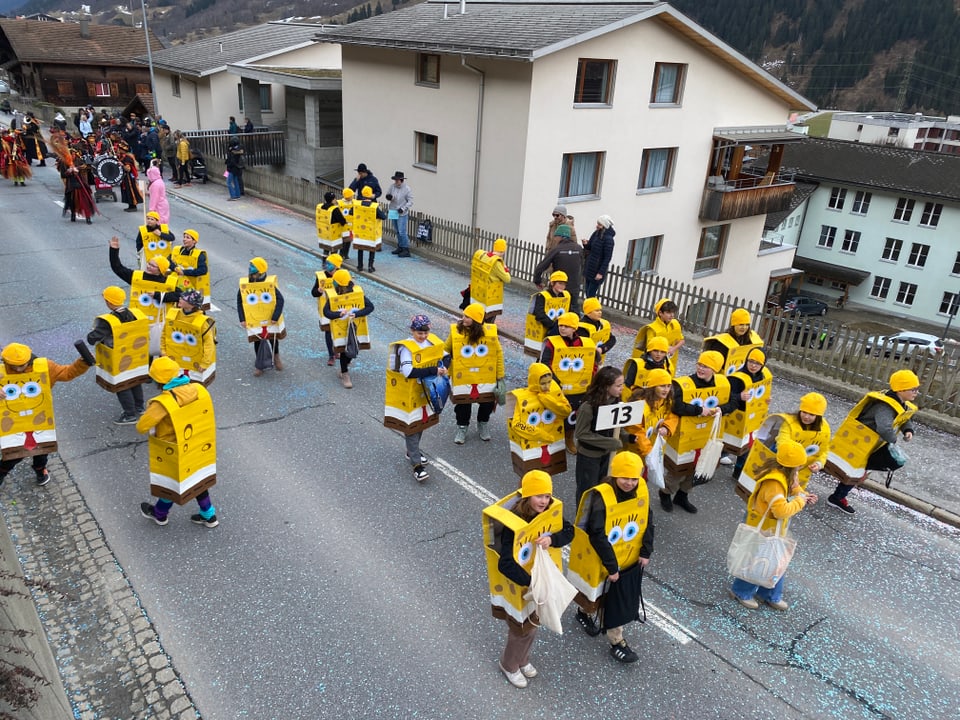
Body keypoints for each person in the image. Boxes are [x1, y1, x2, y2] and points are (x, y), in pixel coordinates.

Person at [483, 470, 574, 688]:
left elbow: (569, 531)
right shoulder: (513, 524)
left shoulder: (549, 512)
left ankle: (522, 659)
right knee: (519, 630)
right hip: (521, 585)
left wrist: (552, 538)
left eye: (547, 496)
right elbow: (504, 563)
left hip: (538, 580)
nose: (544, 501)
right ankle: (509, 664)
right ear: (527, 497)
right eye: (538, 496)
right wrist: (530, 582)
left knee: (533, 625)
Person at [568, 451, 652, 663]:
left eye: (634, 478)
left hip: (628, 556)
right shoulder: (601, 496)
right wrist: (612, 566)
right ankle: (585, 613)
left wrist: (646, 550)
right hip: (601, 557)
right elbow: (596, 534)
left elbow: (647, 520)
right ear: (615, 475)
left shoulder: (641, 489)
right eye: (625, 478)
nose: (630, 483)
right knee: (595, 594)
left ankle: (616, 639)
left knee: (615, 599)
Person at [729, 439, 817, 610]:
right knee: (757, 560)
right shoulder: (774, 483)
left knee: (775, 560)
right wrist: (800, 501)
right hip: (763, 528)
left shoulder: (784, 474)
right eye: (799, 466)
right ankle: (742, 591)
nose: (800, 469)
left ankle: (768, 593)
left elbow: (794, 488)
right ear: (791, 466)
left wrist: (803, 495)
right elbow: (781, 511)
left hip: (769, 526)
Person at [137, 357, 219, 528]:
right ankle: (209, 514)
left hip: (172, 449)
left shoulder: (163, 404)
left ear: (158, 380)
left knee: (171, 483)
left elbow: (142, 426)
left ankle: (159, 514)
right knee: (197, 479)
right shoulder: (198, 389)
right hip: (198, 443)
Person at [825, 370, 919, 515]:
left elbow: (904, 418)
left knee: (856, 471)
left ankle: (838, 496)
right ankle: (833, 496)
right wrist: (893, 440)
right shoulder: (885, 406)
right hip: (861, 443)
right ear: (900, 389)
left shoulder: (901, 403)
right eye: (913, 389)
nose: (916, 392)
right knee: (850, 469)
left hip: (871, 444)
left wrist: (908, 429)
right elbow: (884, 427)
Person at [0, 343, 91, 488]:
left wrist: (83, 362)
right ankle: (2, 471)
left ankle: (40, 469)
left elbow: (67, 373)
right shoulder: (1, 372)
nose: (18, 369)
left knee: (42, 449)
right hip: (13, 421)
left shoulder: (45, 367)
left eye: (22, 365)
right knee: (14, 452)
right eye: (13, 366)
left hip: (39, 419)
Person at [661, 350, 736, 514]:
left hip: (706, 435)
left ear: (715, 370)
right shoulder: (682, 384)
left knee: (698, 467)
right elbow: (675, 405)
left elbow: (733, 402)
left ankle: (683, 495)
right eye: (700, 365)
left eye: (706, 366)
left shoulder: (723, 384)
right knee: (678, 469)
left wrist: (719, 409)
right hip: (685, 435)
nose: (701, 369)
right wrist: (698, 410)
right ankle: (666, 493)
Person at [383, 315, 448, 483]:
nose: (424, 336)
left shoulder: (430, 342)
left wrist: (443, 367)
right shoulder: (407, 348)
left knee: (421, 423)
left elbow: (445, 356)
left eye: (426, 333)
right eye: (420, 333)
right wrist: (434, 370)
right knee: (411, 427)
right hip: (409, 394)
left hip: (424, 392)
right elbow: (408, 372)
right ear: (412, 331)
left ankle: (411, 451)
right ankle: (416, 465)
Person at [86, 286, 149, 424]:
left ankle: (130, 414)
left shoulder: (108, 321)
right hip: (134, 355)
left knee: (122, 385)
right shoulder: (134, 314)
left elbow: (92, 338)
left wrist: (93, 332)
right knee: (135, 380)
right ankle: (139, 406)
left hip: (118, 358)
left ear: (108, 302)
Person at [540, 311, 599, 455]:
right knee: (553, 414)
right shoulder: (551, 342)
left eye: (567, 326)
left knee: (573, 415)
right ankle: (549, 440)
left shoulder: (585, 343)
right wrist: (554, 382)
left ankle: (569, 438)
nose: (562, 328)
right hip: (556, 387)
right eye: (561, 325)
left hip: (579, 388)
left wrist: (591, 379)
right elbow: (545, 364)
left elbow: (592, 363)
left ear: (574, 328)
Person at [444, 303, 504, 444]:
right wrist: (445, 370)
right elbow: (446, 350)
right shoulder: (456, 333)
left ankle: (483, 424)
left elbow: (498, 354)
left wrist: (500, 375)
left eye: (467, 316)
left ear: (476, 320)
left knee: (487, 403)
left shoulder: (489, 335)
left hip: (486, 376)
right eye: (464, 315)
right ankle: (462, 427)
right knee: (463, 405)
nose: (463, 318)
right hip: (463, 377)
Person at [506, 363, 572, 477]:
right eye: (542, 383)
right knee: (529, 477)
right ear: (535, 381)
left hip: (551, 443)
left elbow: (566, 411)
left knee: (547, 474)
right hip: (533, 443)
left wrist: (548, 400)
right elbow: (517, 424)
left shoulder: (553, 389)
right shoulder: (523, 398)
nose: (547, 386)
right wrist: (542, 435)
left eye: (549, 382)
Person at [573, 367, 625, 502]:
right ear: (606, 386)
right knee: (587, 491)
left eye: (622, 384)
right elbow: (581, 433)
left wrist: (627, 437)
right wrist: (610, 443)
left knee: (603, 487)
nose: (622, 388)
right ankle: (582, 521)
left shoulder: (616, 401)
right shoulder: (588, 407)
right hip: (589, 456)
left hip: (606, 455)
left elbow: (617, 424)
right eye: (618, 385)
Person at [724, 348, 773, 477]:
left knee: (747, 445)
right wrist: (739, 396)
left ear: (762, 365)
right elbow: (726, 396)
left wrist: (766, 400)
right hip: (736, 415)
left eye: (757, 363)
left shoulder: (762, 376)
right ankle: (715, 462)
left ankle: (738, 471)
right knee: (728, 444)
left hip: (753, 417)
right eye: (750, 361)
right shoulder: (737, 378)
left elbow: (762, 393)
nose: (753, 365)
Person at [109, 236, 179, 325]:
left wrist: (157, 295)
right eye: (149, 263)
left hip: (159, 324)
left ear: (161, 270)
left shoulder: (168, 282)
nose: (148, 266)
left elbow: (180, 296)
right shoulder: (137, 277)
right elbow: (117, 268)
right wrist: (114, 251)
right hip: (137, 321)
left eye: (153, 266)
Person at [322, 269, 374, 389]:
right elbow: (326, 312)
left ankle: (344, 366)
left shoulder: (357, 294)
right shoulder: (333, 295)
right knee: (343, 351)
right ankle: (345, 373)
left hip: (354, 327)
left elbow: (370, 307)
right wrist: (338, 314)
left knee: (352, 350)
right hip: (340, 328)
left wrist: (357, 314)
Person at [237, 257, 285, 376]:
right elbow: (240, 301)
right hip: (254, 318)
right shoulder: (246, 284)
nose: (249, 268)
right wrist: (242, 319)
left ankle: (276, 357)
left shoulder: (269, 284)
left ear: (259, 269)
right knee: (257, 340)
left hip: (269, 317)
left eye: (252, 266)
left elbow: (280, 299)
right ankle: (260, 365)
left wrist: (275, 316)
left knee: (272, 338)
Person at [624, 368, 680, 465]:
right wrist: (649, 452)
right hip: (636, 453)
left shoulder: (667, 401)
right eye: (662, 386)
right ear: (652, 387)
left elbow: (673, 416)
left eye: (668, 386)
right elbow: (636, 431)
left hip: (655, 449)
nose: (666, 390)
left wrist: (667, 428)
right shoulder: (639, 405)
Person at [162, 290, 216, 385]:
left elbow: (209, 343)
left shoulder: (202, 322)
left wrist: (205, 363)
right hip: (175, 360)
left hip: (194, 365)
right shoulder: (173, 315)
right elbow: (164, 334)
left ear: (192, 305)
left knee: (193, 387)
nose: (179, 299)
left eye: (183, 298)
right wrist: (163, 351)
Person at [534, 224, 583, 314]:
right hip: (574, 287)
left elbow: (540, 267)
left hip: (559, 286)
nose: (554, 239)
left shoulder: (557, 249)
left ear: (560, 236)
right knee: (574, 311)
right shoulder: (579, 248)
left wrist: (537, 281)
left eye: (555, 236)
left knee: (558, 311)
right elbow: (582, 265)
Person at [703, 307, 764, 376]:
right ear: (733, 324)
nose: (744, 327)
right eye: (741, 324)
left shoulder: (751, 340)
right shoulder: (722, 342)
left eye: (747, 325)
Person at [523, 270, 570, 358]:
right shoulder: (543, 296)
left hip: (559, 327)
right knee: (545, 353)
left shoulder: (565, 296)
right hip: (547, 327)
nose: (562, 286)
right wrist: (553, 325)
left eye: (564, 284)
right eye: (560, 283)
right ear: (552, 283)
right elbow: (539, 313)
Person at [631, 298, 684, 376]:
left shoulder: (675, 324)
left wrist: (674, 348)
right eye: (668, 312)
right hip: (656, 363)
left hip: (671, 362)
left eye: (673, 312)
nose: (672, 315)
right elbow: (650, 348)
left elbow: (682, 340)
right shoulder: (652, 329)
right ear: (660, 313)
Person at [311, 253, 344, 366]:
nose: (326, 265)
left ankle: (337, 350)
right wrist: (318, 291)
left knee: (339, 331)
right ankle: (331, 355)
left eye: (329, 263)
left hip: (339, 308)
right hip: (326, 309)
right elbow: (313, 293)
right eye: (327, 263)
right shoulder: (321, 277)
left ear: (336, 265)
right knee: (328, 331)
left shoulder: (342, 275)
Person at [469, 238, 511, 321]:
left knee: (476, 319)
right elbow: (507, 279)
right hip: (490, 297)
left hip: (478, 294)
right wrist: (505, 269)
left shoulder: (483, 256)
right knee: (487, 323)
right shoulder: (496, 263)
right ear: (503, 250)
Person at [622, 336, 671, 400]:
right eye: (655, 351)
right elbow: (627, 386)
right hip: (634, 401)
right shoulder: (637, 364)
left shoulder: (668, 366)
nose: (658, 354)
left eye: (662, 352)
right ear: (649, 351)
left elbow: (668, 390)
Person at [171, 229, 209, 307]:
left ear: (194, 241)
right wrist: (174, 268)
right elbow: (169, 262)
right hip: (176, 284)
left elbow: (203, 270)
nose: (184, 239)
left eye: (188, 237)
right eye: (184, 237)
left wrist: (184, 272)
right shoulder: (177, 250)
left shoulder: (199, 254)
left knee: (193, 308)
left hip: (191, 287)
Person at [353, 186, 386, 273]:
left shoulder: (357, 205)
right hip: (371, 232)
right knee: (372, 249)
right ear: (370, 195)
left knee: (360, 248)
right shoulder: (374, 207)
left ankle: (360, 266)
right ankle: (370, 266)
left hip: (360, 232)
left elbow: (351, 212)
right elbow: (383, 216)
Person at [582, 215, 615, 299]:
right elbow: (590, 247)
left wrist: (600, 272)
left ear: (604, 226)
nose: (597, 226)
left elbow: (607, 258)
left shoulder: (609, 239)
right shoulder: (596, 234)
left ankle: (591, 310)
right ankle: (589, 310)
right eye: (598, 223)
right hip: (590, 267)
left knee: (591, 294)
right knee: (587, 292)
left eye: (599, 224)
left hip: (597, 270)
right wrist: (585, 244)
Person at [57, 155, 95, 224]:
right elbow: (63, 175)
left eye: (74, 154)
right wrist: (70, 171)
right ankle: (73, 215)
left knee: (85, 201)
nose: (73, 156)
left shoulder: (79, 160)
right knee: (72, 201)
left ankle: (88, 217)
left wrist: (78, 169)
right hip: (71, 185)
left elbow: (86, 167)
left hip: (82, 184)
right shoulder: (64, 162)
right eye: (71, 154)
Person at [578, 297, 616, 363]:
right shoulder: (582, 327)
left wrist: (602, 348)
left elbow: (612, 339)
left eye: (600, 310)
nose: (600, 313)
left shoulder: (601, 324)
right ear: (588, 312)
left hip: (598, 360)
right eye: (596, 311)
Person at [386, 171, 414, 257]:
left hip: (402, 212)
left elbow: (411, 201)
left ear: (401, 180)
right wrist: (389, 197)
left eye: (397, 180)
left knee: (402, 231)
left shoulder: (407, 189)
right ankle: (400, 246)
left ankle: (406, 249)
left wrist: (403, 208)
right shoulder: (392, 186)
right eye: (395, 180)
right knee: (397, 231)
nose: (396, 182)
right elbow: (388, 194)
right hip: (393, 210)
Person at [315, 191, 348, 255]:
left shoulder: (320, 206)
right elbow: (342, 220)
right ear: (332, 200)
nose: (335, 200)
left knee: (326, 250)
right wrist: (345, 222)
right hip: (334, 234)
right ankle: (331, 264)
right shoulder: (334, 209)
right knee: (334, 251)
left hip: (324, 234)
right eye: (334, 198)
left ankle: (324, 262)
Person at [116, 141, 142, 212]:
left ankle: (133, 205)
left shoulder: (127, 157)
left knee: (131, 190)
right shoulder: (123, 156)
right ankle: (130, 205)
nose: (118, 150)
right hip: (125, 177)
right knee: (127, 191)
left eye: (119, 149)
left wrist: (122, 165)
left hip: (129, 177)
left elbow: (128, 168)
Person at [337, 187, 356, 260]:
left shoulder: (354, 202)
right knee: (343, 240)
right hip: (343, 225)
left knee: (349, 240)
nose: (352, 196)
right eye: (351, 195)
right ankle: (342, 254)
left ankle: (346, 254)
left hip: (351, 225)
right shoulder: (340, 203)